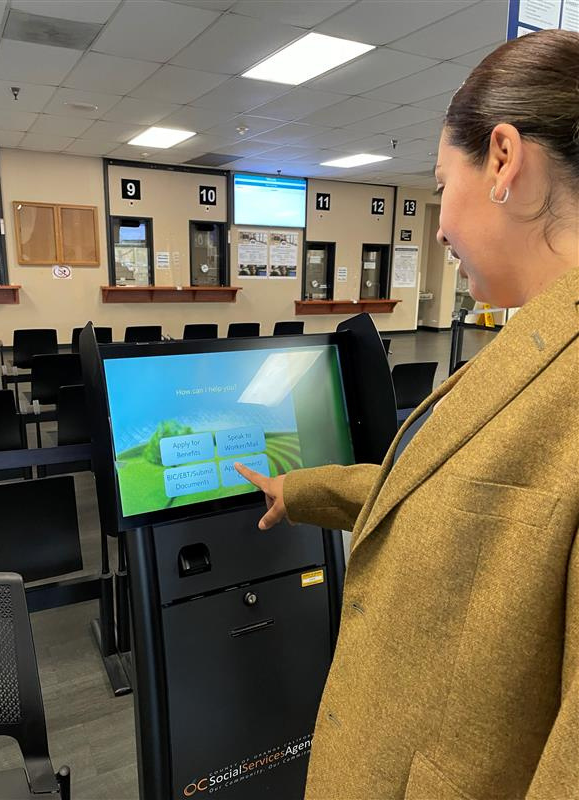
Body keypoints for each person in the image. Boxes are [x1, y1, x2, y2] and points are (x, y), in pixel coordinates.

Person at [235, 29, 579, 800]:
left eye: (436, 186)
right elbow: (464, 497)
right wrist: (305, 492)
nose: (436, 227)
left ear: (502, 160)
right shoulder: (538, 337)